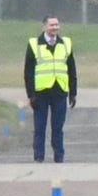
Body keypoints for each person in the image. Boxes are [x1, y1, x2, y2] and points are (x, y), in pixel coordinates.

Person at [24, 15, 77, 163]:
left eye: (56, 25)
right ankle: (39, 156)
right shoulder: (34, 44)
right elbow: (28, 72)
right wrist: (31, 94)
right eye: (51, 25)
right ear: (44, 27)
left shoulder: (66, 43)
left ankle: (59, 156)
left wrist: (73, 93)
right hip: (41, 93)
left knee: (58, 128)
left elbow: (72, 69)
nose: (55, 28)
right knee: (40, 127)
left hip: (59, 91)